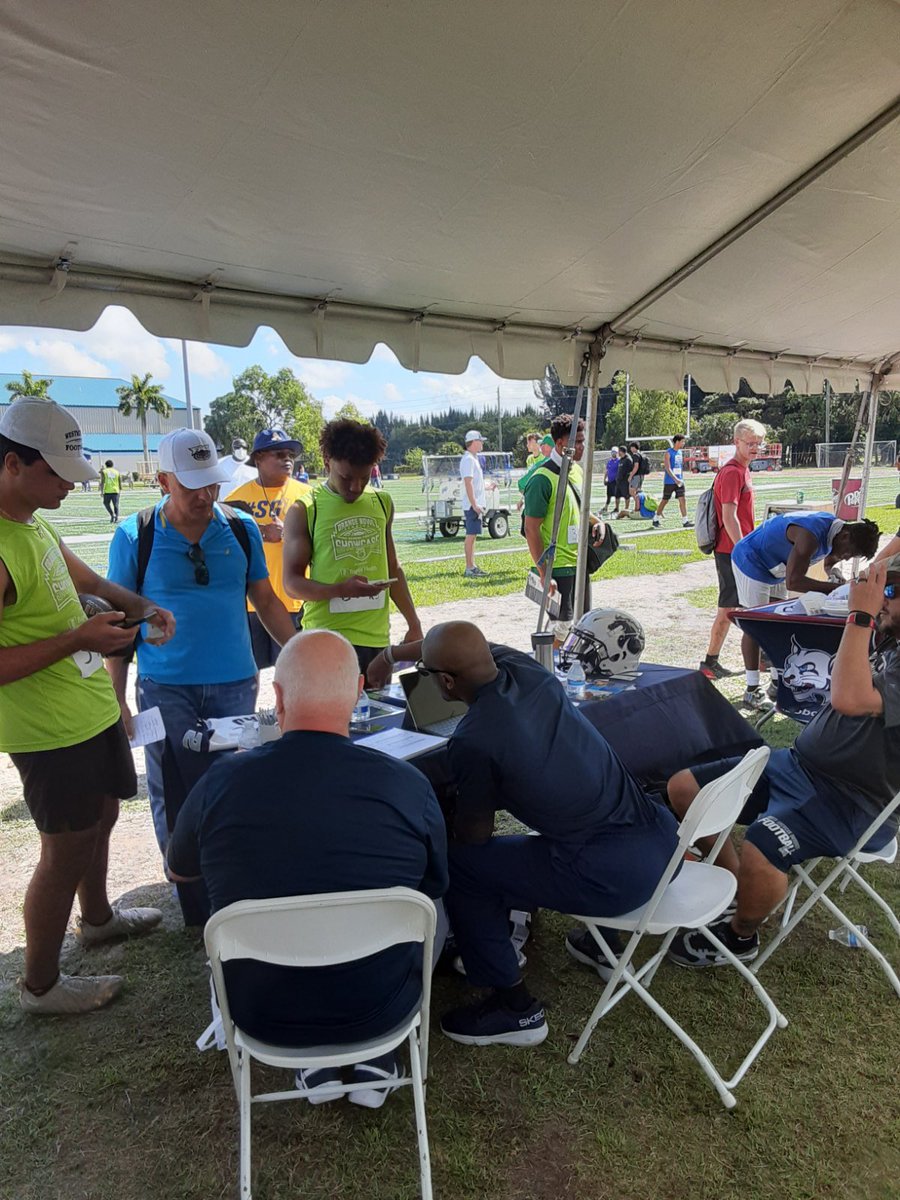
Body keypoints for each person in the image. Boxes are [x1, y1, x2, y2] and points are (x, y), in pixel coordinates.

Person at [168, 630, 447, 1104]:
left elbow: (180, 872)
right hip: (383, 1006)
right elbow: (434, 882)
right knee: (428, 910)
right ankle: (375, 1058)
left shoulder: (222, 781)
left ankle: (316, 1062)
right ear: (360, 692)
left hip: (262, 1012)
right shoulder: (408, 785)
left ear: (277, 696)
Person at [390, 622, 678, 1047]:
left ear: (446, 682)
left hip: (613, 878)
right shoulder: (528, 670)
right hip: (664, 846)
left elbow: (475, 835)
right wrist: (394, 654)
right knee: (566, 830)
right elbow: (470, 643)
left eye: (428, 673)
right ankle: (602, 944)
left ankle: (515, 1008)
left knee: (462, 865)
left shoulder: (474, 739)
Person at [0, 397, 173, 1015]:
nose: (70, 487)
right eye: (58, 474)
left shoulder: (34, 520)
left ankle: (97, 917)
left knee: (102, 817)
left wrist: (142, 609)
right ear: (14, 463)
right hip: (47, 731)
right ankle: (40, 985)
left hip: (88, 708)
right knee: (62, 849)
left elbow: (92, 585)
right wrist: (78, 638)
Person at [667, 556, 900, 968]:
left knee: (763, 846)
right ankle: (738, 888)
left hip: (848, 801)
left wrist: (860, 615)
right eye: (883, 587)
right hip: (797, 764)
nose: (882, 597)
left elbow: (849, 699)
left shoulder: (877, 627)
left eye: (892, 591)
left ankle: (740, 934)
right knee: (686, 788)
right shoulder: (891, 637)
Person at [106, 428, 298, 923]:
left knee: (232, 780)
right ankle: (188, 891)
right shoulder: (136, 535)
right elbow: (121, 624)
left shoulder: (239, 528)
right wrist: (118, 698)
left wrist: (300, 655)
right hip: (165, 687)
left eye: (209, 483)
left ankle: (231, 879)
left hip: (235, 680)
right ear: (163, 479)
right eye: (190, 485)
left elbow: (267, 600)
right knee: (173, 788)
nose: (203, 495)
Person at [282, 418, 422, 675]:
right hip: (325, 643)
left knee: (376, 715)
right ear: (327, 461)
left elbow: (393, 569)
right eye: (346, 478)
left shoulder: (382, 502)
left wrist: (413, 623)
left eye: (364, 477)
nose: (356, 487)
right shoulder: (305, 509)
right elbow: (291, 583)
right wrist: (339, 589)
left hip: (376, 642)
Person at [226, 427, 311, 670]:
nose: (287, 459)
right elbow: (225, 545)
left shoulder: (308, 495)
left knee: (296, 671)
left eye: (290, 455)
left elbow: (321, 542)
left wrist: (288, 533)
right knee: (249, 673)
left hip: (295, 601)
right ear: (259, 458)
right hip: (252, 604)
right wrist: (262, 532)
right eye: (279, 454)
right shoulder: (236, 499)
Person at [522, 413, 604, 644]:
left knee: (582, 626)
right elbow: (531, 529)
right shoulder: (542, 479)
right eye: (576, 442)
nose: (582, 447)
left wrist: (598, 522)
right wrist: (544, 572)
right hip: (557, 567)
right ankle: (551, 675)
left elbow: (578, 507)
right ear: (560, 444)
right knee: (561, 629)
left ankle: (569, 672)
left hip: (579, 563)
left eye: (582, 441)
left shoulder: (576, 471)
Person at [699, 419, 766, 688]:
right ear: (736, 442)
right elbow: (729, 517)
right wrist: (744, 550)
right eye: (750, 443)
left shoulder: (742, 470)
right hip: (731, 551)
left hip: (736, 549)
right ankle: (711, 661)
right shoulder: (732, 472)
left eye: (758, 444)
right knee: (729, 607)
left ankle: (716, 660)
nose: (755, 448)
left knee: (735, 606)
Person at [731, 513, 880, 608]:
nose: (846, 558)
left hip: (776, 566)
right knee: (757, 622)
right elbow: (794, 582)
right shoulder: (810, 537)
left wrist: (834, 573)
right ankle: (755, 658)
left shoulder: (836, 533)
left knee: (778, 616)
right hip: (751, 559)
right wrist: (836, 589)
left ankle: (768, 657)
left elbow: (829, 562)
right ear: (845, 537)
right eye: (849, 553)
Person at [458, 430, 488, 578]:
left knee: (473, 535)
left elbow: (474, 483)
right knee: (471, 535)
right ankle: (469, 567)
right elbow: (468, 483)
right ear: (474, 442)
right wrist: (474, 504)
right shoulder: (468, 459)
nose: (482, 443)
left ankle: (472, 565)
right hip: (472, 505)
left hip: (474, 503)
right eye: (480, 441)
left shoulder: (473, 459)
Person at [653, 434, 691, 528]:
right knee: (665, 500)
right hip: (670, 482)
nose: (683, 443)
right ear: (677, 442)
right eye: (682, 441)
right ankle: (656, 518)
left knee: (682, 499)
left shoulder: (680, 453)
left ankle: (685, 521)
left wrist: (680, 479)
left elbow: (679, 467)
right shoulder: (668, 453)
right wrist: (675, 479)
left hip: (679, 481)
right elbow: (668, 468)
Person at [99, 459, 121, 524]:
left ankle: (112, 514)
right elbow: (119, 481)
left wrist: (101, 491)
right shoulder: (117, 472)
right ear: (112, 465)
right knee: (116, 505)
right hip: (115, 490)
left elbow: (102, 481)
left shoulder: (104, 471)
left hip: (107, 490)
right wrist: (120, 490)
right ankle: (116, 517)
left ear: (106, 465)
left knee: (106, 503)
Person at [614, 444, 634, 517]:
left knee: (626, 496)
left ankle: (626, 509)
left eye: (619, 451)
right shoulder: (621, 460)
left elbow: (631, 470)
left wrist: (629, 477)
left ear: (622, 451)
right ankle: (616, 508)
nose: (618, 453)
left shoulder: (628, 459)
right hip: (619, 481)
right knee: (617, 495)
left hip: (625, 481)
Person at [627, 442, 647, 509]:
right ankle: (641, 506)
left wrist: (631, 476)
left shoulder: (635, 455)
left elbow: (636, 466)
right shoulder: (642, 454)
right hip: (641, 475)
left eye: (631, 447)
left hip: (636, 476)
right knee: (638, 491)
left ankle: (638, 506)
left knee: (632, 491)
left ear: (633, 447)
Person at [602, 447, 619, 515]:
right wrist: (604, 479)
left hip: (615, 481)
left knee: (616, 495)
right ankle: (606, 507)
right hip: (610, 481)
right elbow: (607, 471)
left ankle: (617, 508)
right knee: (608, 495)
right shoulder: (609, 461)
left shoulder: (619, 461)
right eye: (612, 452)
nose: (613, 454)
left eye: (614, 452)